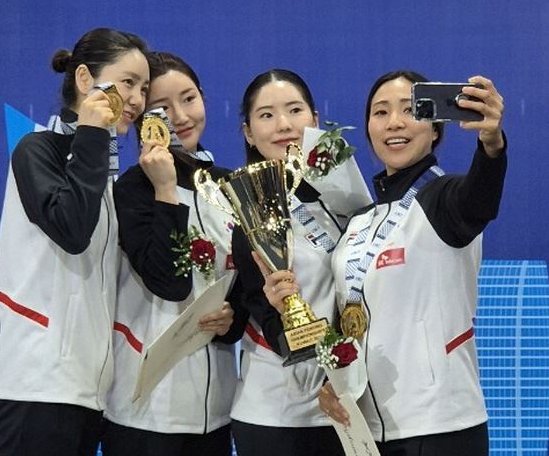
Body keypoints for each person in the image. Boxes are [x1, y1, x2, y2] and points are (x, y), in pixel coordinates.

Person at [265, 70, 506, 456]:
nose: (394, 122)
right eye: (380, 112)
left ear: (435, 128)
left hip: (440, 426)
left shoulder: (445, 200)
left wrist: (492, 145)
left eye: (410, 110)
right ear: (368, 129)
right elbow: (353, 319)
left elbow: (481, 197)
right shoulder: (361, 221)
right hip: (367, 431)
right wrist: (335, 381)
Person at [0, 28, 150, 456]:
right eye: (128, 82)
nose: (137, 99)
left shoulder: (105, 177)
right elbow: (72, 230)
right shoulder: (36, 150)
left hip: (87, 393)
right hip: (35, 388)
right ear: (83, 79)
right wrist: (93, 133)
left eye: (144, 88)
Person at [101, 51, 245, 456]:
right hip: (145, 413)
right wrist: (165, 189)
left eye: (189, 98)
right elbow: (168, 281)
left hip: (217, 412)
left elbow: (241, 284)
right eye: (162, 108)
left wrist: (231, 318)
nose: (180, 117)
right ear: (144, 119)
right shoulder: (132, 189)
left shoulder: (229, 185)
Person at [230, 69, 345, 456]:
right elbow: (270, 321)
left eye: (295, 110)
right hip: (277, 417)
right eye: (266, 115)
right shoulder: (250, 215)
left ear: (314, 119)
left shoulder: (346, 196)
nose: (283, 125)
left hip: (349, 406)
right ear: (249, 133)